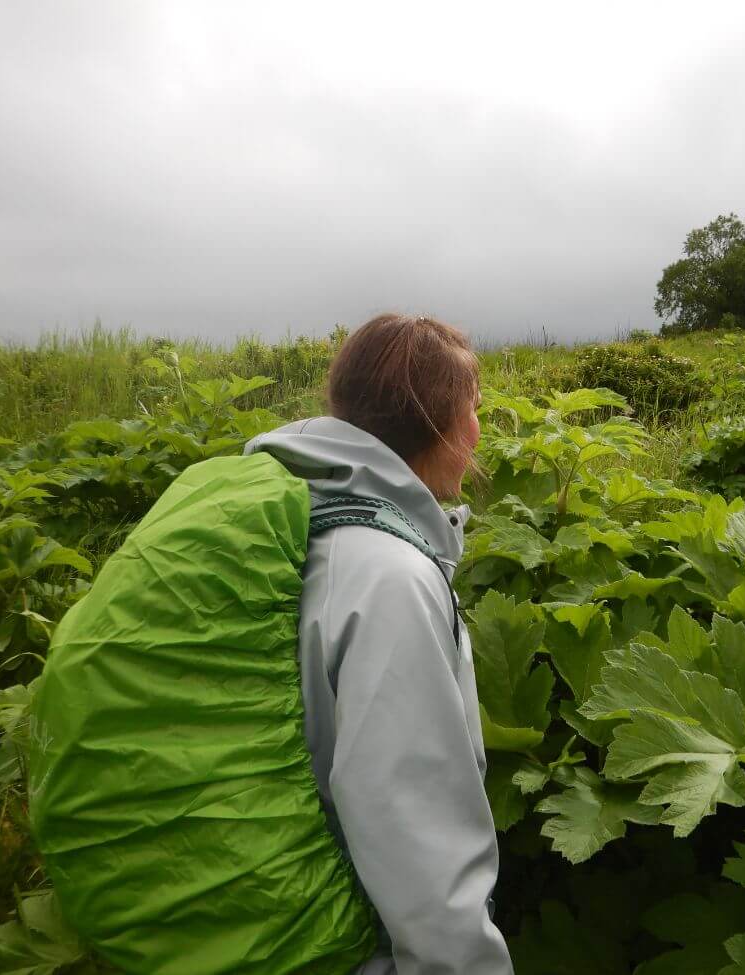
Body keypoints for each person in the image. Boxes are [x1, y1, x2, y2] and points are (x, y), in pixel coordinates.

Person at [244, 314, 513, 975]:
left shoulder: (301, 525)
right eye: (474, 411)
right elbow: (419, 844)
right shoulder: (392, 580)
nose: (479, 431)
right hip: (344, 946)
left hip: (261, 912)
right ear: (444, 425)